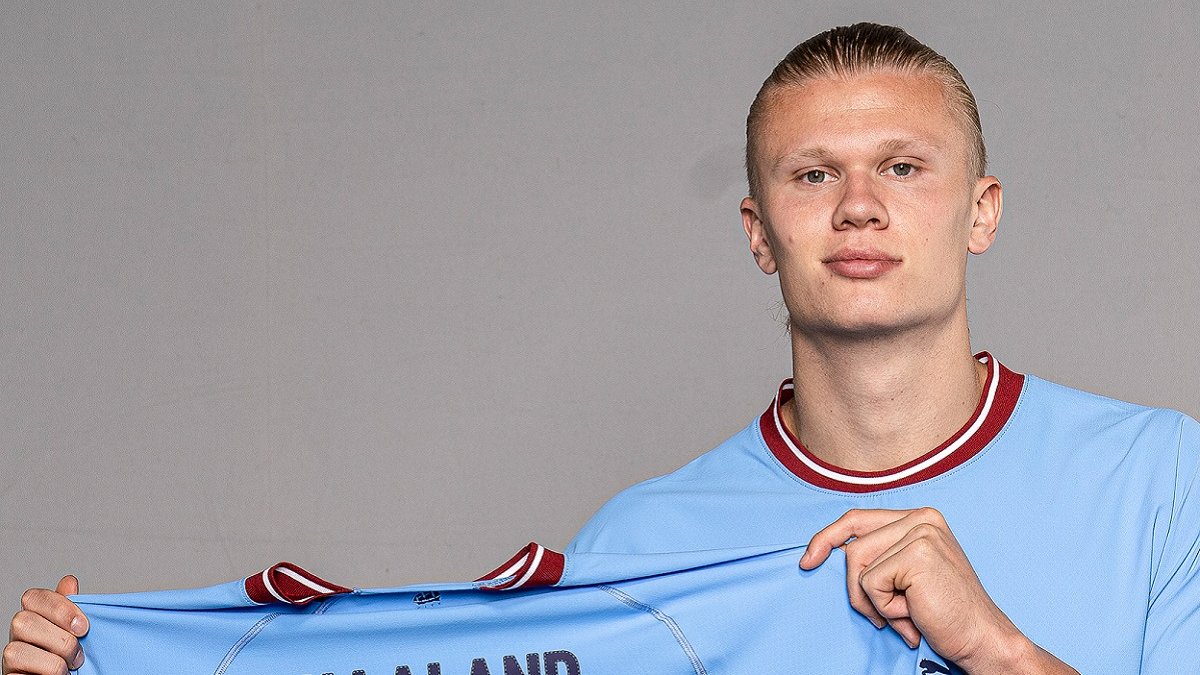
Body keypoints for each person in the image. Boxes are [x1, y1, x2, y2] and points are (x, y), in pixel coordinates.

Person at [6, 22, 1198, 675]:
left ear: (981, 211)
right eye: (811, 175)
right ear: (758, 231)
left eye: (903, 166)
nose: (857, 208)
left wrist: (994, 650)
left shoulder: (1165, 481)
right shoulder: (638, 550)